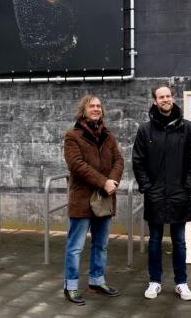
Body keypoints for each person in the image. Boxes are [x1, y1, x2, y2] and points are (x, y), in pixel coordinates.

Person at [132, 83, 191, 301]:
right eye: (161, 97)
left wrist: (188, 187)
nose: (165, 99)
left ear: (173, 98)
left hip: (179, 194)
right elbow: (138, 161)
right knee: (154, 240)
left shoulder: (187, 128)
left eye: (168, 96)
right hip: (155, 195)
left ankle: (181, 283)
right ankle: (155, 282)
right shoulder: (145, 130)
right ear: (155, 101)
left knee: (179, 241)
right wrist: (146, 187)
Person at [62, 94, 124, 305]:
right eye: (92, 106)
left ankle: (97, 281)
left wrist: (112, 181)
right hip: (82, 200)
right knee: (75, 246)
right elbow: (77, 165)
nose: (96, 109)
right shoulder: (73, 136)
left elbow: (119, 160)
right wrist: (103, 182)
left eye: (99, 106)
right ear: (83, 110)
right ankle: (70, 286)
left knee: (101, 245)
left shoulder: (108, 136)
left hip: (104, 199)